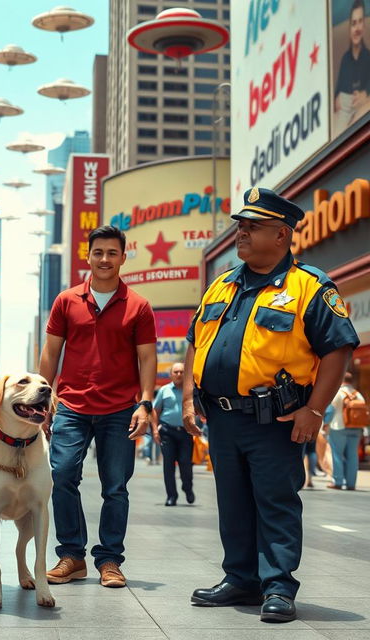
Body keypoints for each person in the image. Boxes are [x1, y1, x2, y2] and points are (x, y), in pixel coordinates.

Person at [183, 187, 359, 623]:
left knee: (275, 501)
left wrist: (314, 410)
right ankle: (240, 578)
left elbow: (338, 349)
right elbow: (194, 342)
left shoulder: (310, 287)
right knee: (233, 501)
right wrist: (188, 397)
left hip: (275, 420)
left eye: (252, 227)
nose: (241, 234)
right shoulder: (222, 285)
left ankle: (277, 586)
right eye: (240, 227)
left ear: (281, 235)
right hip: (222, 417)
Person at [39, 225, 157, 589]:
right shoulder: (66, 301)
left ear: (123, 258)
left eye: (112, 253)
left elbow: (147, 358)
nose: (104, 259)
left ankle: (109, 560)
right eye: (98, 253)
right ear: (87, 257)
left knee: (116, 486)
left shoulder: (138, 305)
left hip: (121, 408)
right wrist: (42, 400)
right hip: (72, 406)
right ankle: (72, 556)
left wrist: (146, 403)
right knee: (61, 475)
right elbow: (50, 353)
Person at [154, 362, 193, 506]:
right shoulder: (164, 390)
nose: (178, 374)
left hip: (185, 432)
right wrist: (154, 430)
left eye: (182, 372)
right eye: (176, 372)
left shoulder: (191, 390)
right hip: (167, 432)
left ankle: (187, 488)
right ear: (171, 374)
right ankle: (171, 496)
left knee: (185, 463)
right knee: (168, 465)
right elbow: (155, 411)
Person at [334, 0, 370, 133]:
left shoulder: (368, 57)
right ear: (349, 28)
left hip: (361, 109)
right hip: (345, 108)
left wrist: (365, 93)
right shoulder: (345, 60)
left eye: (360, 22)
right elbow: (339, 89)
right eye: (354, 23)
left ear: (364, 26)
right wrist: (337, 98)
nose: (357, 28)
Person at [327, 372, 366, 490]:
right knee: (353, 455)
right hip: (356, 428)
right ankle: (351, 483)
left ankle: (338, 481)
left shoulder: (338, 393)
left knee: (337, 454)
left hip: (339, 427)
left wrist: (325, 423)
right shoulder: (359, 394)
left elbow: (330, 411)